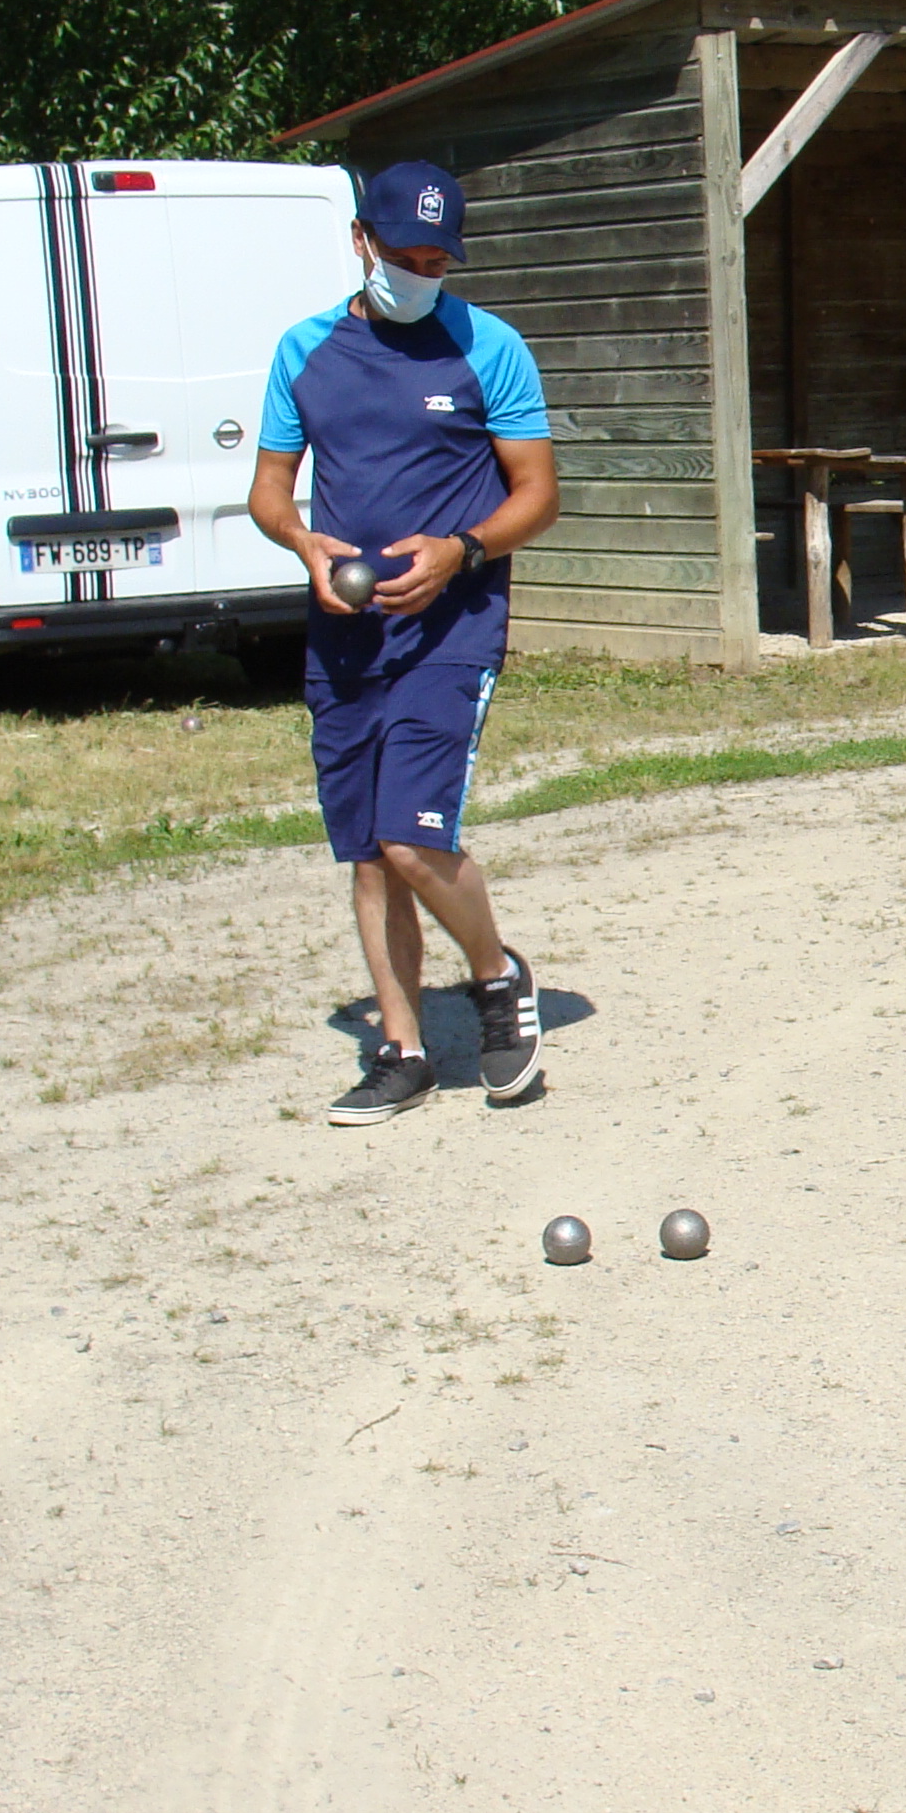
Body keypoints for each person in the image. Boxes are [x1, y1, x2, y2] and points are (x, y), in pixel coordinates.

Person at [249, 162, 561, 1126]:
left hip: (451, 632)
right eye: (404, 256)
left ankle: (498, 978)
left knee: (412, 841)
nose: (421, 273)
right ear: (361, 241)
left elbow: (538, 495)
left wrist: (461, 550)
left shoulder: (489, 347)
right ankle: (402, 1050)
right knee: (367, 853)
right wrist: (304, 543)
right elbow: (268, 490)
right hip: (344, 637)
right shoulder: (305, 351)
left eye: (438, 259)